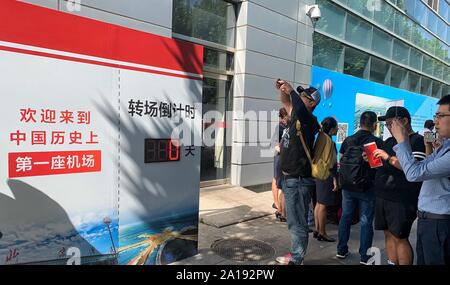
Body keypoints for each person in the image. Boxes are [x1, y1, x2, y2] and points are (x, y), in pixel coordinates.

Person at [390, 95, 450, 265]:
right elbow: (424, 166)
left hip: (439, 224)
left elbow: (414, 173)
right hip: (429, 221)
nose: (436, 122)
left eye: (441, 116)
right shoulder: (444, 147)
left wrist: (402, 141)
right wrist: (429, 147)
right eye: (435, 116)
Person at [372, 106, 426, 265]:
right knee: (388, 234)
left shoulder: (417, 141)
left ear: (404, 121)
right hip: (382, 194)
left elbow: (414, 169)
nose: (389, 127)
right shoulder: (388, 141)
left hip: (402, 199)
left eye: (391, 123)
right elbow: (382, 163)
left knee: (400, 237)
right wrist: (372, 159)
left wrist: (387, 157)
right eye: (387, 124)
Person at [275, 80, 321, 265]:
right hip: (290, 178)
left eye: (304, 96)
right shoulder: (296, 116)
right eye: (300, 95)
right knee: (293, 221)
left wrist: (292, 91)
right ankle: (296, 254)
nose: (300, 97)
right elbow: (286, 102)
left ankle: (296, 259)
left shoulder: (310, 121)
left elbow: (299, 108)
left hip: (299, 180)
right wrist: (283, 89)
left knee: (297, 224)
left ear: (312, 103)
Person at [336, 111, 383, 265]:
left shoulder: (349, 140)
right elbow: (376, 166)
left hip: (348, 186)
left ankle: (341, 250)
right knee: (365, 221)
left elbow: (341, 160)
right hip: (366, 187)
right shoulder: (375, 141)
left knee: (346, 217)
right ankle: (364, 256)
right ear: (374, 125)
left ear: (360, 123)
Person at [314, 117, 339, 242]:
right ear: (332, 129)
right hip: (326, 174)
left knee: (319, 203)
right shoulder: (329, 141)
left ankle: (318, 230)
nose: (338, 129)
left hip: (318, 172)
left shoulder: (320, 137)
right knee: (323, 205)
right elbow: (331, 162)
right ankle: (322, 232)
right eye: (336, 127)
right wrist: (334, 178)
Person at [272, 107, 288, 222]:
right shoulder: (281, 127)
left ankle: (280, 210)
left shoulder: (285, 127)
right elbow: (276, 145)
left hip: (281, 158)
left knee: (280, 184)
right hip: (280, 158)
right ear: (284, 117)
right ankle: (280, 210)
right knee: (281, 184)